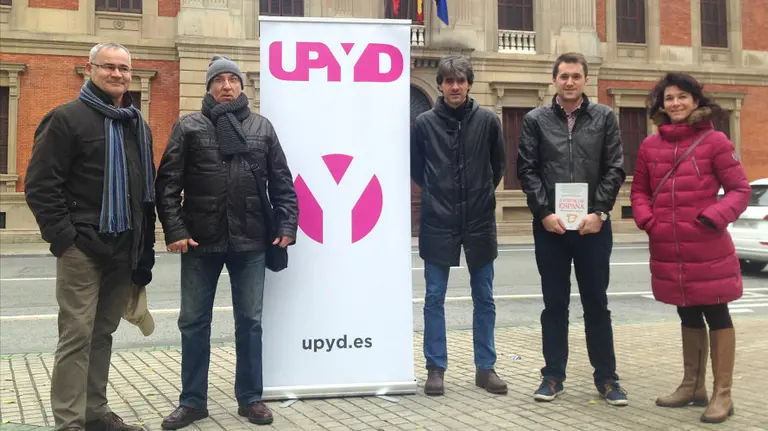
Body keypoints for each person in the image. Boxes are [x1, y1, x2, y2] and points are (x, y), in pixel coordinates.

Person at [156, 55, 298, 429]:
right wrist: (175, 230)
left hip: (251, 241)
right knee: (193, 322)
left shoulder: (261, 128)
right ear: (209, 87)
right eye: (218, 80)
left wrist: (287, 224)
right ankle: (192, 403)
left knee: (250, 321)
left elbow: (283, 182)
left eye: (232, 79)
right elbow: (168, 184)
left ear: (241, 86)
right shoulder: (189, 126)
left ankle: (251, 399)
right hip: (200, 242)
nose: (226, 86)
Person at [24, 42, 156, 431]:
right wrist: (65, 238)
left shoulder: (137, 125)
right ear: (90, 69)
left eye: (124, 69)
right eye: (108, 67)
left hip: (123, 247)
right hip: (82, 247)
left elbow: (142, 190)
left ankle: (95, 412)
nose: (117, 75)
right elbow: (41, 186)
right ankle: (69, 423)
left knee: (103, 334)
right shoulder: (65, 119)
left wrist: (143, 250)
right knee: (76, 336)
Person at [630, 72, 751, 424]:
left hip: (707, 244)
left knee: (716, 312)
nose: (676, 103)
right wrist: (646, 218)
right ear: (661, 105)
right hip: (668, 246)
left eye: (683, 96)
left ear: (696, 101)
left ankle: (722, 394)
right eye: (669, 98)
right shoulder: (649, 146)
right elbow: (639, 190)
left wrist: (713, 217)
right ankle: (692, 385)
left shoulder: (715, 142)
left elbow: (740, 190)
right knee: (685, 311)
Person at [517, 52, 628, 406]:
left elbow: (615, 167)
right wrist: (544, 212)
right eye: (563, 76)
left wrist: (599, 212)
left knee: (597, 303)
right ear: (554, 80)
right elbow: (526, 169)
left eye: (576, 76)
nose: (569, 82)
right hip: (550, 229)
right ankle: (552, 376)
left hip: (592, 228)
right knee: (554, 304)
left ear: (585, 80)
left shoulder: (605, 117)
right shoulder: (535, 120)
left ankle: (607, 379)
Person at [410, 55, 507, 396]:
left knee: (485, 297)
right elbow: (416, 169)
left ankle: (486, 368)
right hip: (438, 220)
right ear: (440, 85)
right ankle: (435, 369)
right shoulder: (423, 123)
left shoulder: (488, 121)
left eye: (460, 80)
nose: (455, 86)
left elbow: (498, 166)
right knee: (434, 298)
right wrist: (439, 192)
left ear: (469, 83)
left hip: (479, 219)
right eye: (448, 81)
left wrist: (478, 192)